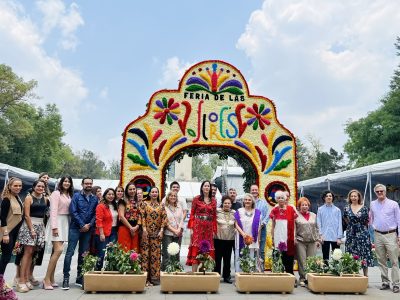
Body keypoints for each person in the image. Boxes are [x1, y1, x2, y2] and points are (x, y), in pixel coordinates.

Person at [62, 177, 98, 290]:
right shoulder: (76, 196)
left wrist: (89, 225)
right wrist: (82, 224)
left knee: (83, 254)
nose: (88, 185)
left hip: (88, 230)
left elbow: (95, 214)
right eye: (86, 183)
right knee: (69, 253)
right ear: (82, 184)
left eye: (90, 183)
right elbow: (73, 211)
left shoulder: (95, 198)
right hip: (75, 228)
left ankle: (80, 277)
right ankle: (66, 278)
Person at [16, 180, 49, 293]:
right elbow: (26, 215)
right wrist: (32, 229)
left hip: (40, 226)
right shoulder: (28, 198)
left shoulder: (45, 199)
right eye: (38, 186)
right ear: (34, 187)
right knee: (27, 253)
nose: (40, 188)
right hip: (29, 226)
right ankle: (21, 281)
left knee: (32, 253)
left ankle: (26, 278)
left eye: (42, 186)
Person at [43, 176, 73, 290]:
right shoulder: (56, 193)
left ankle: (51, 278)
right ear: (61, 183)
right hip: (57, 222)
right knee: (59, 250)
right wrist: (54, 227)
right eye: (65, 181)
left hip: (65, 222)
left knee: (54, 253)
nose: (66, 183)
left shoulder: (69, 195)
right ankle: (46, 279)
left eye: (68, 182)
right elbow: (53, 210)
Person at [370, 184, 400, 293]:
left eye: (381, 191)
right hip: (377, 234)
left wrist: (399, 236)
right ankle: (385, 282)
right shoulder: (373, 204)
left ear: (385, 191)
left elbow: (399, 220)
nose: (379, 193)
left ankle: (396, 284)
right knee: (381, 260)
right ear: (375, 193)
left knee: (394, 260)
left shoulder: (393, 204)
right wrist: (372, 230)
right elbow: (371, 218)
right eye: (377, 192)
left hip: (391, 234)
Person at [186, 181, 217, 272]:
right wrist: (191, 228)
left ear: (210, 188)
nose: (207, 187)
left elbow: (214, 216)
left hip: (209, 228)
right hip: (198, 227)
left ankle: (203, 273)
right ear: (202, 188)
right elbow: (192, 214)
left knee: (206, 249)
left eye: (208, 186)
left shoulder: (213, 201)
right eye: (205, 186)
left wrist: (214, 230)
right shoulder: (196, 199)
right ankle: (194, 274)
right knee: (196, 248)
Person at [343, 189, 373, 277]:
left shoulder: (364, 208)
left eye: (355, 196)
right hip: (351, 233)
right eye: (351, 196)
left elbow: (367, 220)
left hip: (362, 233)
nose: (353, 198)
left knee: (364, 254)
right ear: (349, 197)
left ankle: (365, 276)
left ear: (359, 197)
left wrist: (360, 227)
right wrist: (352, 227)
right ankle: (354, 275)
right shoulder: (346, 208)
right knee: (352, 254)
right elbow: (345, 219)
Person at [140, 187, 167, 286]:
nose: (154, 193)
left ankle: (154, 279)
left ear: (158, 194)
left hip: (157, 235)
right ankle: (145, 279)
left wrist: (161, 230)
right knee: (145, 256)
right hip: (146, 235)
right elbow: (142, 217)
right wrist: (144, 229)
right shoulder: (144, 204)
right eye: (153, 192)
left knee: (155, 256)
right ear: (150, 194)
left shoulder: (162, 205)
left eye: (156, 192)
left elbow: (164, 218)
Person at [270, 190, 297, 277]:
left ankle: (290, 276)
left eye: (282, 197)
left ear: (285, 198)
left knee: (289, 258)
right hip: (278, 237)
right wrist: (273, 238)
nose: (281, 199)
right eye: (278, 198)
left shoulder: (291, 209)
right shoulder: (274, 210)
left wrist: (295, 236)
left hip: (289, 238)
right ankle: (279, 276)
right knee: (278, 257)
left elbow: (295, 224)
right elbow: (273, 225)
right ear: (276, 199)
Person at [295, 197, 321, 287]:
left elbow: (317, 228)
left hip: (312, 241)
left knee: (311, 260)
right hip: (300, 241)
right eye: (303, 205)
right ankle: (302, 278)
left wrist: (318, 239)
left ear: (308, 206)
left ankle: (310, 278)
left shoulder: (314, 215)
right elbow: (294, 229)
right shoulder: (296, 215)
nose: (304, 206)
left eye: (306, 205)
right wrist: (294, 239)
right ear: (299, 206)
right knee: (302, 261)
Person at [0, 178, 23, 276]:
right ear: (10, 186)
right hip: (7, 232)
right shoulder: (6, 199)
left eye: (20, 186)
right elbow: (2, 217)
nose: (18, 187)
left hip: (14, 232)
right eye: (15, 185)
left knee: (7, 257)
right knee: (5, 257)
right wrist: (5, 234)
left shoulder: (17, 198)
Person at [234, 193, 262, 272]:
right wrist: (243, 234)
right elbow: (235, 224)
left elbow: (259, 227)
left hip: (252, 238)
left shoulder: (257, 212)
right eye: (246, 200)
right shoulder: (239, 211)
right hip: (241, 237)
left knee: (251, 257)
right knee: (241, 257)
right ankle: (239, 276)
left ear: (252, 201)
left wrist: (258, 240)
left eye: (249, 200)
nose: (247, 201)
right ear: (243, 201)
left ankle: (250, 276)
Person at [214, 195, 235, 283]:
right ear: (222, 204)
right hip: (218, 239)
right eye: (225, 203)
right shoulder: (217, 211)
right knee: (217, 259)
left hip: (229, 239)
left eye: (228, 203)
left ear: (231, 204)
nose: (227, 204)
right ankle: (216, 275)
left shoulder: (234, 213)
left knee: (227, 259)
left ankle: (227, 276)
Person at [317, 190, 343, 262]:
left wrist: (339, 237)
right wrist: (320, 235)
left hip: (335, 236)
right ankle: (326, 271)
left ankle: (336, 271)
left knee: (336, 256)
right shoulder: (320, 209)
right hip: (324, 237)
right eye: (327, 196)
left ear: (332, 198)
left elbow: (340, 224)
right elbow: (319, 223)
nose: (328, 197)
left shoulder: (337, 210)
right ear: (324, 198)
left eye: (330, 196)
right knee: (325, 257)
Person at [95, 188, 117, 270]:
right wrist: (101, 233)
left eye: (112, 194)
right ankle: (97, 272)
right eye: (109, 194)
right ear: (105, 195)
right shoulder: (101, 206)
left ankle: (108, 273)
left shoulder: (115, 206)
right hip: (103, 232)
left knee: (111, 254)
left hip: (114, 232)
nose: (111, 196)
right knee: (101, 253)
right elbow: (98, 220)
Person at [161, 191, 184, 271]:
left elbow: (181, 219)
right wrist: (174, 230)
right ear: (168, 197)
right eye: (171, 196)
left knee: (176, 253)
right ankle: (165, 272)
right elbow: (165, 221)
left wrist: (179, 230)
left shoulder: (179, 206)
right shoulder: (164, 207)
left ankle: (176, 271)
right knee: (167, 254)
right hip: (168, 233)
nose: (173, 197)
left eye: (174, 196)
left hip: (177, 233)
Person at [250, 184, 269, 269]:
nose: (254, 191)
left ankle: (261, 269)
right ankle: (251, 269)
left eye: (256, 190)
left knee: (261, 250)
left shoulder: (263, 203)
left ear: (258, 191)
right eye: (253, 190)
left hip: (262, 229)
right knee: (251, 249)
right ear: (250, 191)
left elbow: (267, 215)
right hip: (249, 229)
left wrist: (262, 224)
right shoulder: (247, 202)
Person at [117, 183, 140, 252]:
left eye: (134, 189)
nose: (132, 191)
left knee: (134, 250)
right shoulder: (122, 201)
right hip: (124, 228)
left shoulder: (138, 202)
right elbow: (121, 216)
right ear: (127, 191)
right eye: (130, 189)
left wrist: (136, 227)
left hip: (135, 229)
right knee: (124, 250)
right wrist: (131, 228)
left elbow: (141, 216)